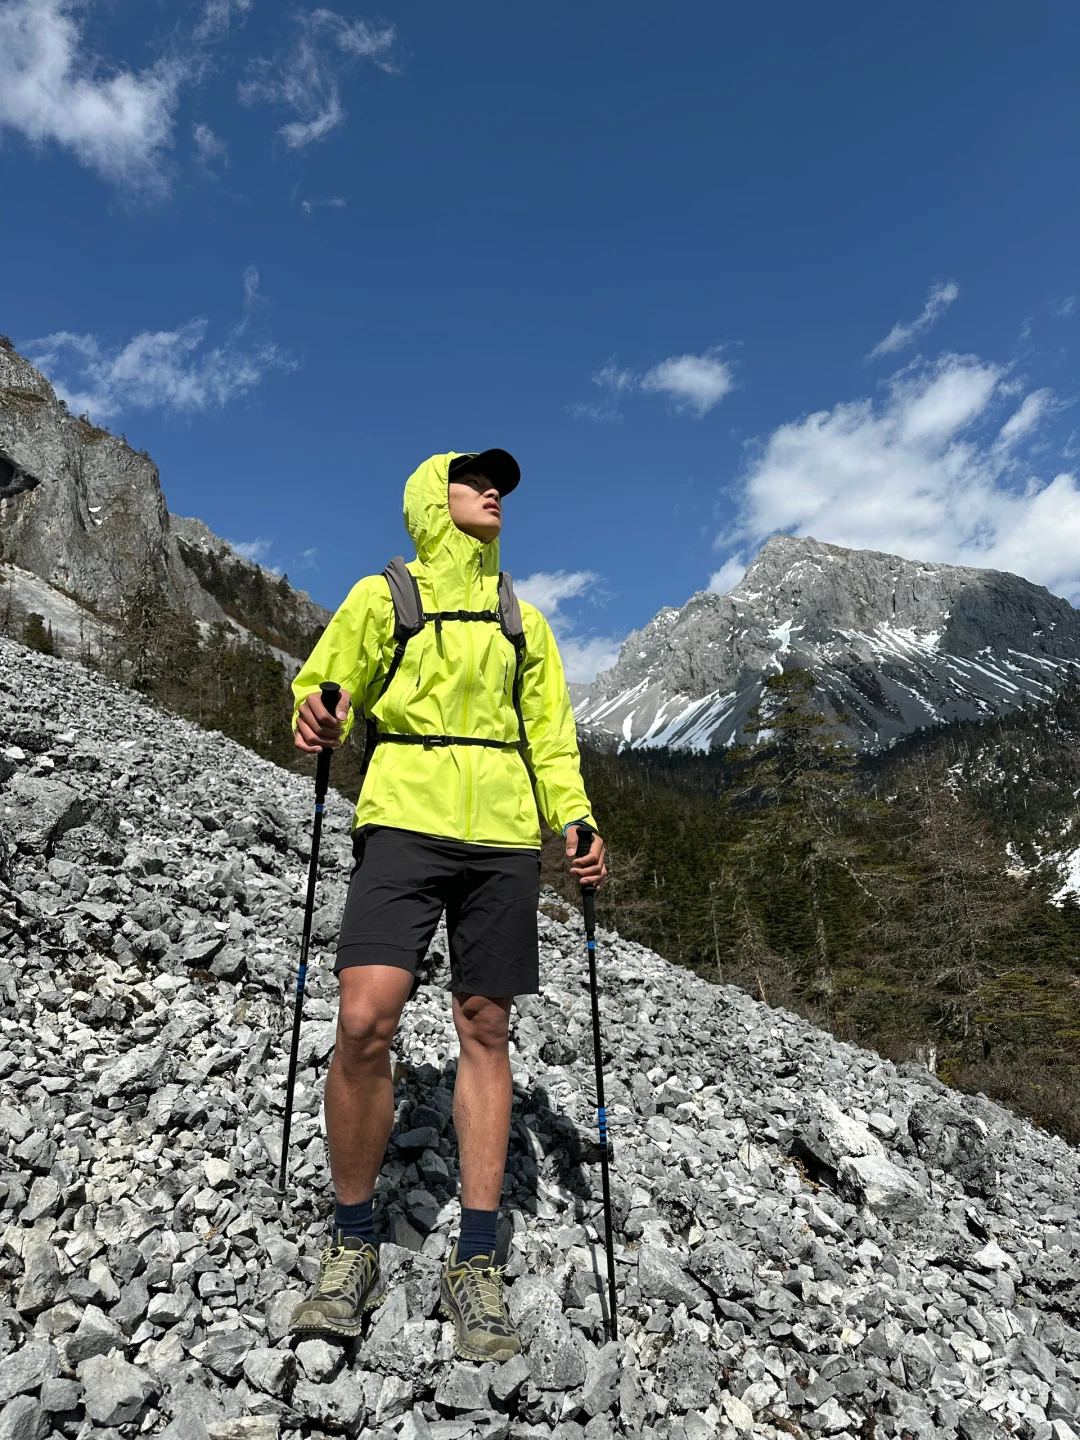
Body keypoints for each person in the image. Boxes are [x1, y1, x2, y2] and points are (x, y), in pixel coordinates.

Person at [287, 449, 606, 1361]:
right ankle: (352, 1241)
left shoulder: (525, 622)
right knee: (363, 1019)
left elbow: (551, 738)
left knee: (485, 1025)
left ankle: (475, 1257)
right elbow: (324, 683)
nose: (493, 489)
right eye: (473, 477)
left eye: (500, 480)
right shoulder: (385, 595)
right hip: (404, 823)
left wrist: (573, 819)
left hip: (503, 837)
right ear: (436, 496)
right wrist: (317, 711)